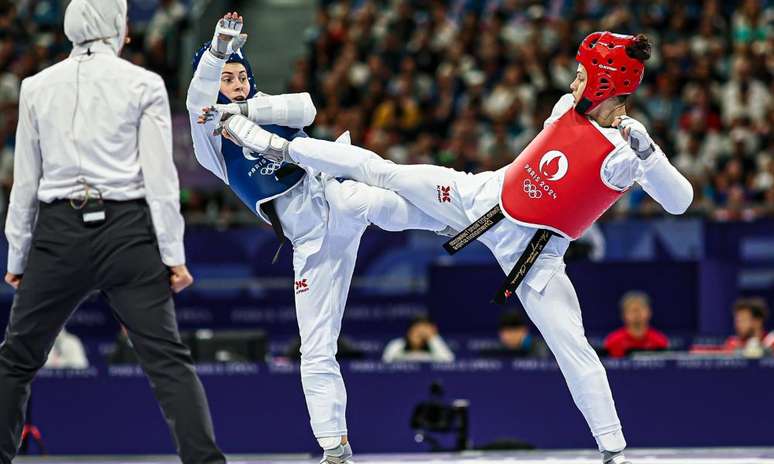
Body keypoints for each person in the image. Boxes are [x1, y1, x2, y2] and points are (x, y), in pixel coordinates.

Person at [224, 32, 694, 464]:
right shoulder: (564, 108)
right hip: (476, 200)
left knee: (571, 345)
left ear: (605, 83)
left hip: (534, 257)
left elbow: (680, 201)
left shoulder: (626, 154)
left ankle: (614, 451)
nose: (573, 81)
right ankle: (271, 146)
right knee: (383, 173)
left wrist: (650, 154)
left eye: (582, 75)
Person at [186, 12, 445, 463]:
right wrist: (216, 52)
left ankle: (453, 218)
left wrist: (243, 107)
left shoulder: (260, 106)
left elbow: (307, 108)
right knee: (316, 347)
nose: (238, 82)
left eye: (242, 75)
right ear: (210, 81)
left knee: (359, 202)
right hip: (309, 246)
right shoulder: (211, 144)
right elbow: (195, 102)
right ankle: (334, 446)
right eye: (227, 78)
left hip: (328, 195)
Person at [0, 1, 226, 462]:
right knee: (167, 362)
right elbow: (161, 179)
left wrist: (18, 257)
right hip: (127, 232)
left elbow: (24, 182)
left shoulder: (35, 87)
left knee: (16, 361)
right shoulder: (144, 84)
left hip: (58, 234)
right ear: (119, 27)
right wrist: (173, 256)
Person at [603, 291, 669, 358]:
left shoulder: (660, 341)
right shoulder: (613, 342)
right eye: (632, 310)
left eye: (640, 309)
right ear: (623, 315)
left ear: (649, 312)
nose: (637, 314)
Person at [382, 315, 455, 363]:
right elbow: (385, 363)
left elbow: (449, 362)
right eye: (416, 330)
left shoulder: (435, 347)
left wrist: (432, 338)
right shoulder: (397, 344)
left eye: (422, 332)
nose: (419, 334)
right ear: (409, 331)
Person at [479, 311, 550, 359]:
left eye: (514, 330)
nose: (510, 335)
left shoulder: (543, 350)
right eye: (506, 331)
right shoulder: (495, 353)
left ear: (524, 330)